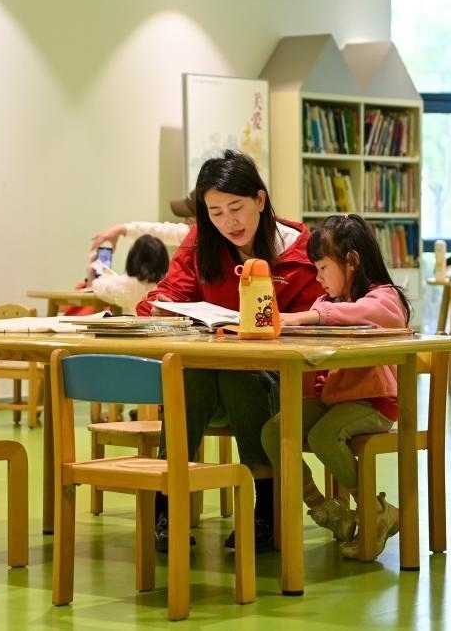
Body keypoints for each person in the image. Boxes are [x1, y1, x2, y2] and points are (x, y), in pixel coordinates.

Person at [135, 149, 322, 553]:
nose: (228, 222)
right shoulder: (202, 241)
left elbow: (315, 324)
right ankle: (167, 505)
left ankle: (265, 510)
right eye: (215, 212)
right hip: (210, 382)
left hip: (280, 388)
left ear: (260, 199)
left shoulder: (301, 251)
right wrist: (159, 308)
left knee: (243, 376)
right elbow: (171, 292)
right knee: (190, 372)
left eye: (236, 208)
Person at [262, 213, 412, 560]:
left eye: (322, 268)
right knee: (274, 431)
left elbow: (366, 313)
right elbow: (318, 321)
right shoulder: (327, 302)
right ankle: (325, 508)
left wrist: (311, 316)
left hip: (377, 402)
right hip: (335, 399)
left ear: (352, 262)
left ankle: (374, 510)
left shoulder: (386, 298)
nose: (318, 278)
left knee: (323, 436)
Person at [86, 234, 170, 315]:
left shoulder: (125, 284)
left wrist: (91, 268)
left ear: (133, 258)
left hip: (133, 323)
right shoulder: (168, 286)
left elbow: (96, 286)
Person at [89, 190, 196, 252]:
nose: (184, 222)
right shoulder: (192, 234)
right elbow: (161, 231)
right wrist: (121, 229)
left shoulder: (197, 237)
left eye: (188, 216)